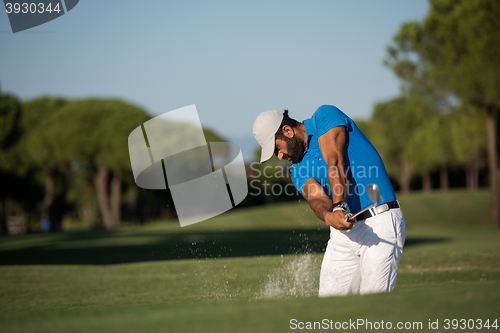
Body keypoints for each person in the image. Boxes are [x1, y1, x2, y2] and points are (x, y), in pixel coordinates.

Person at [252, 105, 406, 296]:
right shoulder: (297, 169)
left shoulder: (324, 116)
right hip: (343, 235)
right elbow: (316, 197)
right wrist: (328, 216)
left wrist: (339, 206)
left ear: (287, 131)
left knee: (372, 305)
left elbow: (335, 160)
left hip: (379, 221)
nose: (280, 156)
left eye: (277, 148)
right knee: (329, 308)